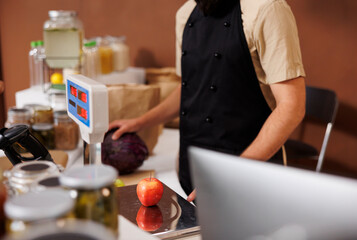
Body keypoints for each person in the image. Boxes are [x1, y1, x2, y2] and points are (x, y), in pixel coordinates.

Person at [109, 0, 306, 202]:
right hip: (191, 171)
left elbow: (292, 106)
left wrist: (226, 176)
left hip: (248, 177)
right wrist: (141, 122)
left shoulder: (267, 9)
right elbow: (190, 88)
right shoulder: (185, 14)